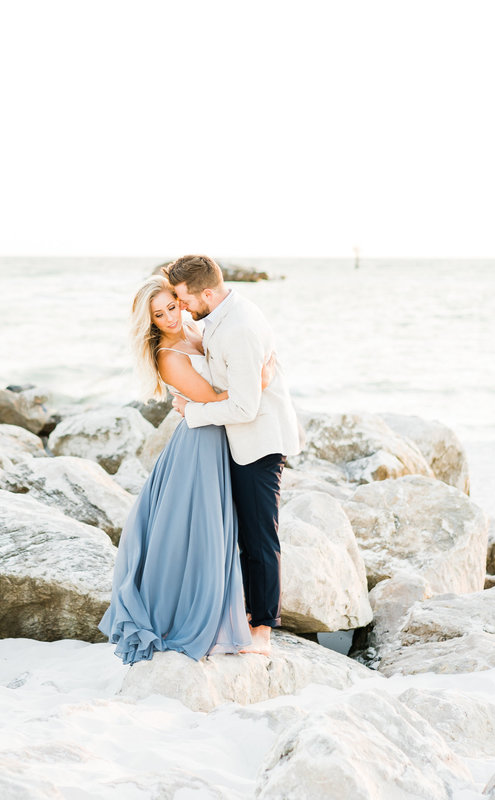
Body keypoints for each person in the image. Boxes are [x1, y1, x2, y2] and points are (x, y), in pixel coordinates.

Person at [99, 275, 252, 664]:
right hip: (200, 444)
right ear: (148, 321)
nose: (168, 317)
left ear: (180, 301)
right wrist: (259, 380)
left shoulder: (192, 330)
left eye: (171, 306)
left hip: (213, 435)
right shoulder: (169, 355)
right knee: (197, 532)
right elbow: (215, 398)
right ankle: (181, 617)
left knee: (207, 529)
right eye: (158, 314)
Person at [166, 255, 302, 656]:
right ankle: (247, 616)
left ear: (206, 292)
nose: (183, 307)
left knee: (259, 537)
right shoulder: (226, 316)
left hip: (259, 442)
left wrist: (192, 412)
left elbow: (245, 407)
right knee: (245, 533)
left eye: (183, 298)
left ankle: (262, 629)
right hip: (245, 438)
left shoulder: (237, 328)